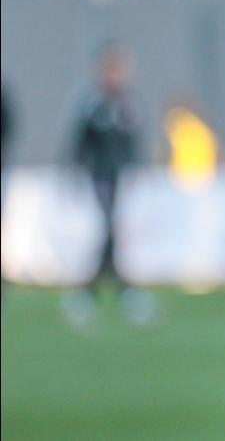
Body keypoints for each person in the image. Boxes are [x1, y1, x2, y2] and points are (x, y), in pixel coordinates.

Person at [61, 41, 156, 327]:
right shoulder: (92, 104)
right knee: (105, 232)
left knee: (115, 235)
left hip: (123, 179)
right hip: (98, 177)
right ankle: (113, 291)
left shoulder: (129, 104)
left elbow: (133, 141)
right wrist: (74, 171)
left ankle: (97, 292)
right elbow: (80, 142)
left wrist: (138, 170)